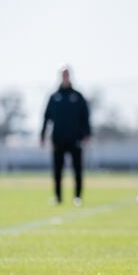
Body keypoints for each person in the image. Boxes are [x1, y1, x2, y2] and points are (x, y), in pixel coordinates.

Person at [40, 65, 91, 207]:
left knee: (77, 170)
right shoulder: (54, 97)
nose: (65, 77)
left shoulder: (77, 96)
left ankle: (77, 197)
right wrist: (42, 135)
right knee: (57, 171)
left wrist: (87, 134)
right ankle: (58, 197)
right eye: (63, 75)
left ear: (70, 76)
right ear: (60, 76)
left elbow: (85, 116)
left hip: (75, 139)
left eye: (67, 74)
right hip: (58, 139)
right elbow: (46, 117)